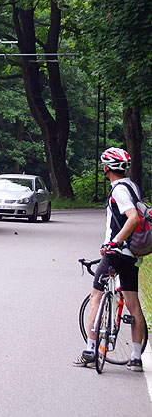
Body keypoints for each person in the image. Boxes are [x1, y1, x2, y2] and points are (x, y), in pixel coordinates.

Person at [74, 147, 147, 371]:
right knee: (133, 304)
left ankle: (90, 351)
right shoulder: (132, 186)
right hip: (133, 255)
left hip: (117, 252)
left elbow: (133, 218)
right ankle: (135, 358)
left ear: (106, 168)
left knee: (96, 297)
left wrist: (113, 242)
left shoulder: (119, 191)